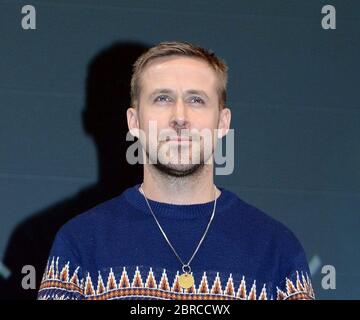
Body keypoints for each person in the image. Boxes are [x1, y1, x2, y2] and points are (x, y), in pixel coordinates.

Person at [37, 41, 314, 300]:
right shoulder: (80, 244)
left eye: (196, 100)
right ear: (134, 121)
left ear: (223, 122)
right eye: (162, 99)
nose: (179, 117)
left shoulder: (277, 250)